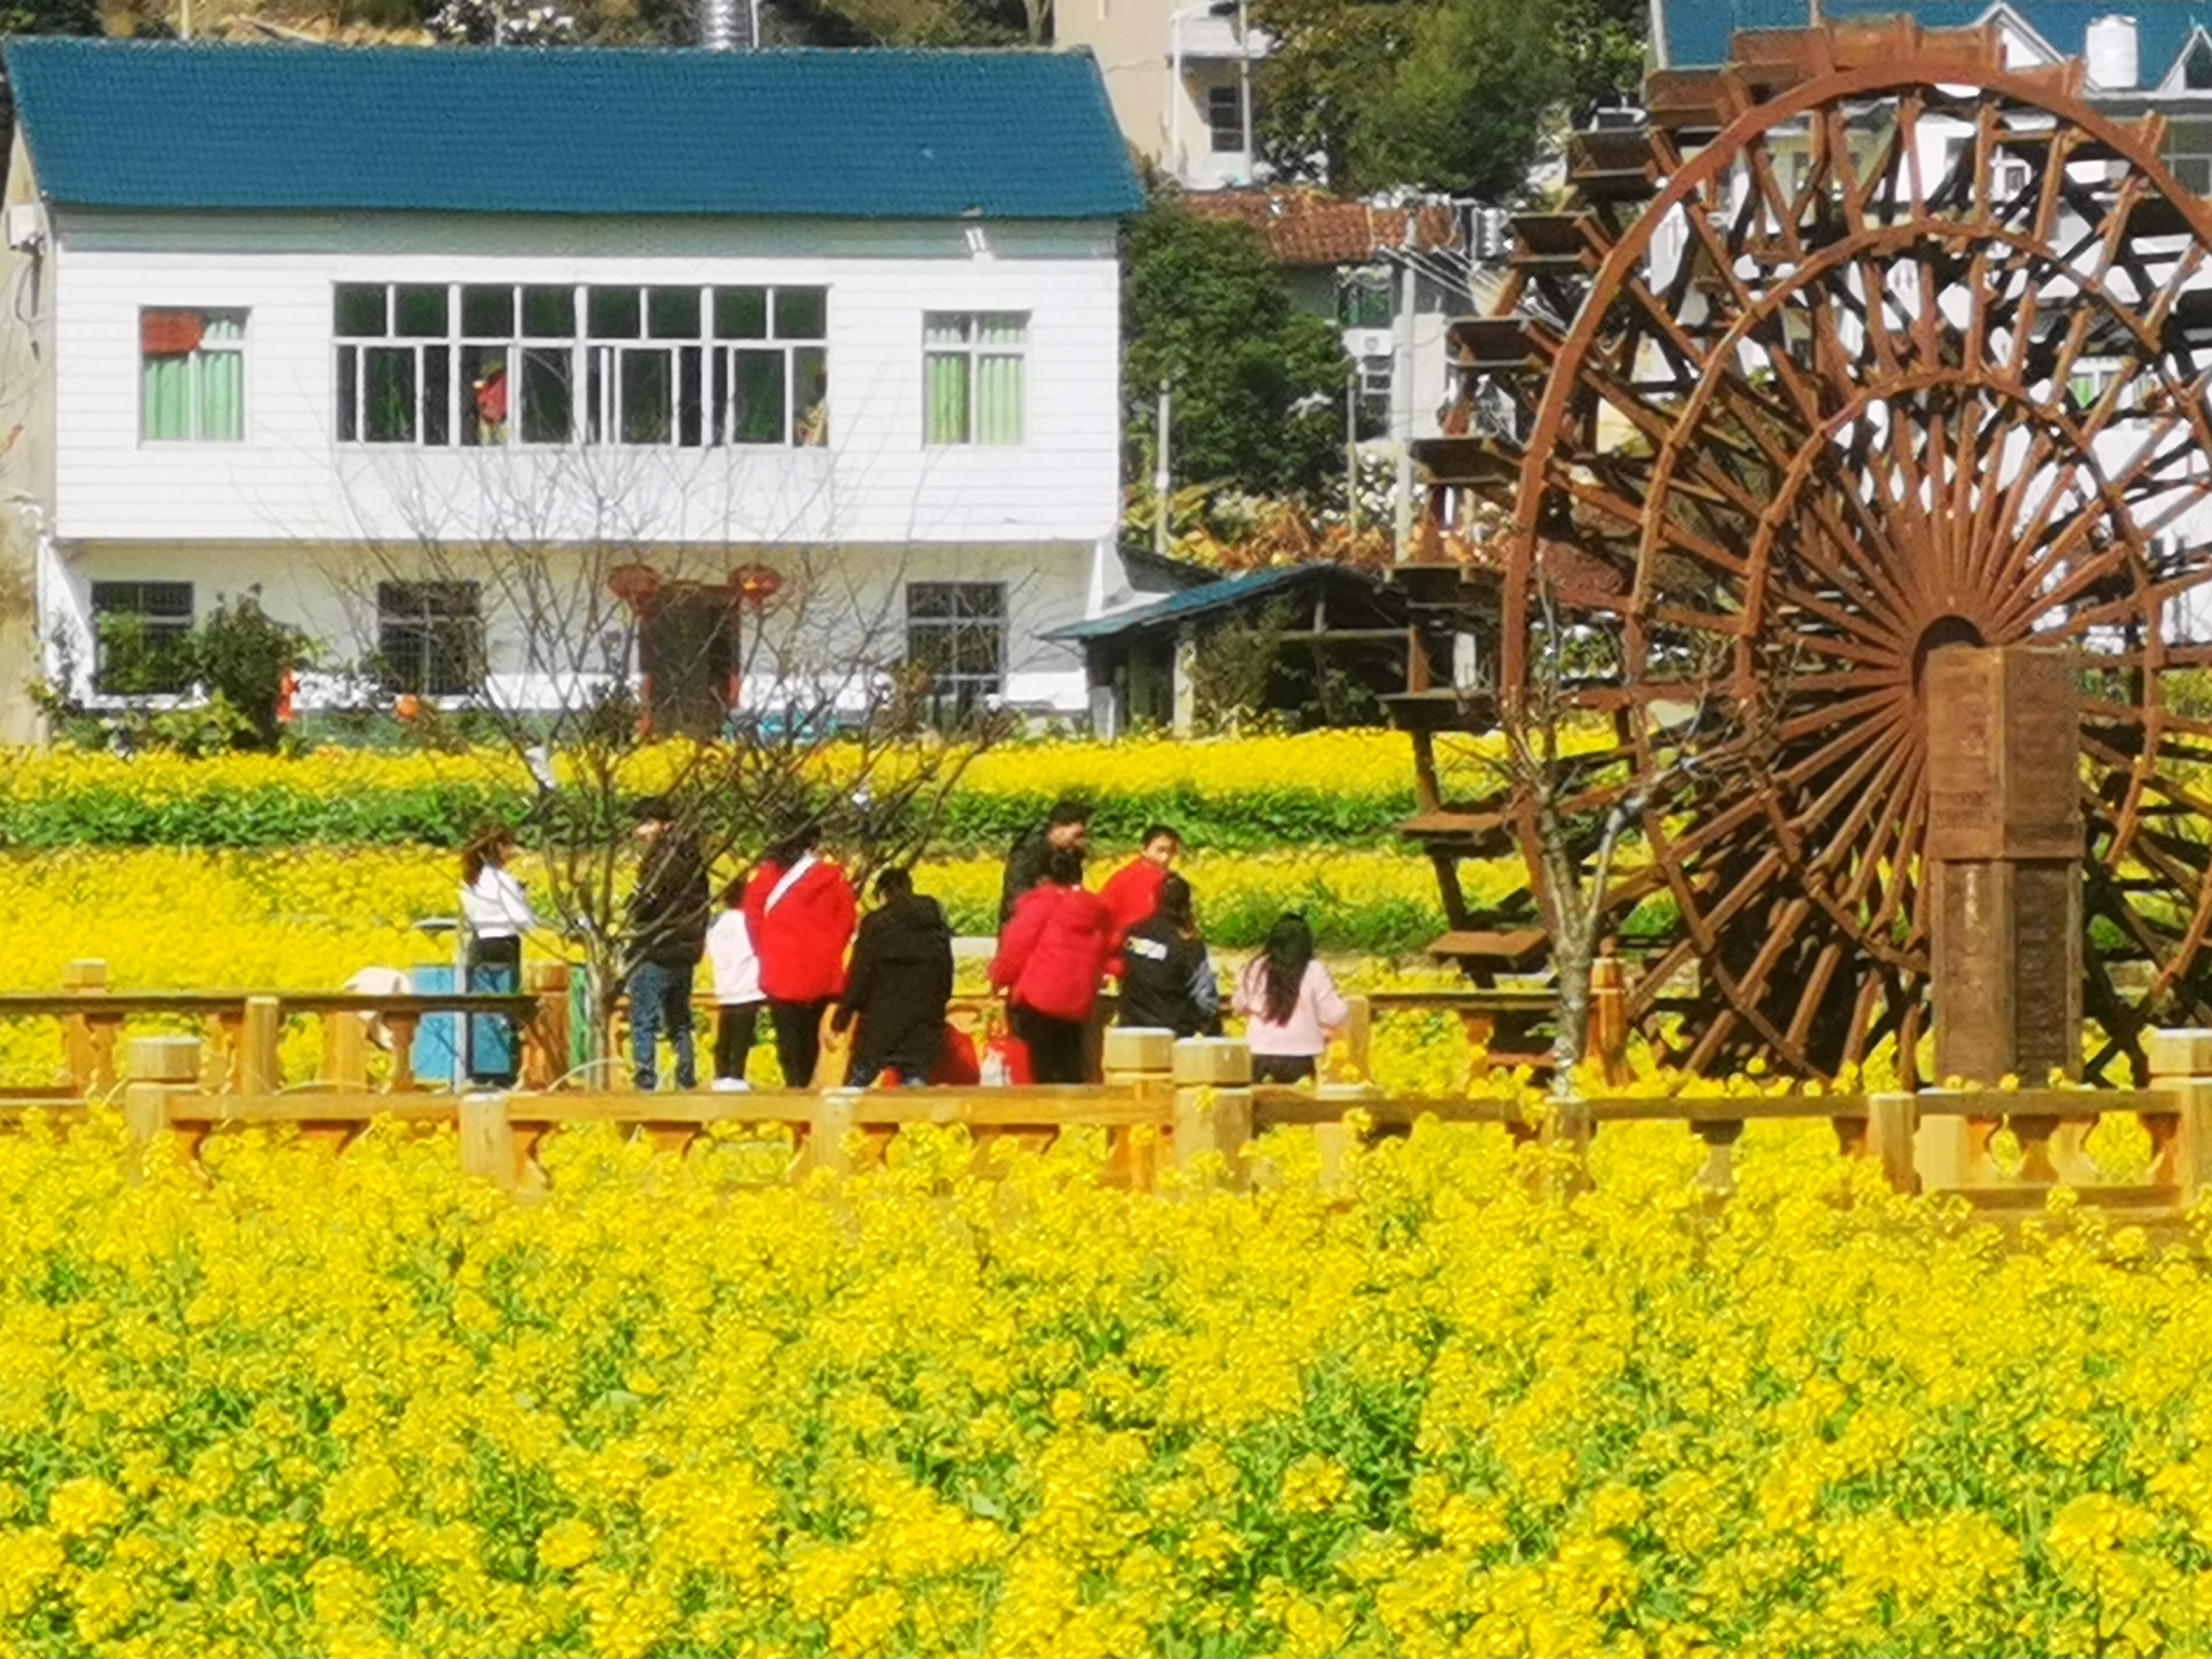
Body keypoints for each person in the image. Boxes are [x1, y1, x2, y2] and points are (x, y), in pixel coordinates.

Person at [743, 822, 857, 1089]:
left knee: (788, 1041)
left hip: (780, 971)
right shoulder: (832, 877)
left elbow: (753, 919)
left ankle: (796, 1090)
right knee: (811, 1038)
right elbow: (847, 920)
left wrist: (769, 951)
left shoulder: (767, 877)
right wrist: (829, 950)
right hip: (820, 972)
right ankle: (807, 1088)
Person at [990, 847, 1113, 1084]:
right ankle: (1074, 1117)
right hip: (1077, 1000)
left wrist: (999, 979)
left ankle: (1040, 1118)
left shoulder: (1040, 903)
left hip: (1038, 998)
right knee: (1070, 1064)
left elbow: (1016, 947)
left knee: (1037, 1070)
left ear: (1043, 879)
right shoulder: (1093, 910)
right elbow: (1108, 948)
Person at [833, 868, 954, 1088]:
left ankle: (843, 1123)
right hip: (923, 1022)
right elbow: (945, 976)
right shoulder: (933, 924)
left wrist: (844, 1013)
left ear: (883, 894)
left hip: (880, 1023)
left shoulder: (875, 925)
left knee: (853, 1089)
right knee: (915, 1088)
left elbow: (861, 973)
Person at [625, 796, 710, 1092]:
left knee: (644, 1020)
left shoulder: (663, 861)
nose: (641, 832)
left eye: (647, 824)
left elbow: (649, 904)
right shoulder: (692, 857)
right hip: (685, 951)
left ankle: (645, 1079)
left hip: (657, 948)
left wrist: (633, 909)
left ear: (666, 825)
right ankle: (686, 1078)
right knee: (680, 1020)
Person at [458, 823, 538, 1088]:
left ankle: (481, 1068)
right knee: (506, 1006)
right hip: (504, 943)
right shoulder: (503, 881)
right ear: (500, 848)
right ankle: (504, 1071)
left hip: (479, 945)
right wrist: (526, 902)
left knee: (482, 1008)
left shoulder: (470, 879)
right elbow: (522, 919)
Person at [1234, 913, 1349, 1085]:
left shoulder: (1255, 968)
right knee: (1297, 1110)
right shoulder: (1314, 971)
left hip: (1259, 1053)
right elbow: (1333, 1015)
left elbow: (1239, 1005)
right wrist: (1345, 1002)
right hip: (1299, 1058)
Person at [1117, 874, 1220, 1039]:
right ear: (1187, 904)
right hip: (1172, 1032)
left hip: (1131, 1028)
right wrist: (1214, 1032)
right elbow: (1204, 998)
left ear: (1154, 899)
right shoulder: (1188, 945)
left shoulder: (1133, 934)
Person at [704, 875, 765, 1093]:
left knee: (725, 1035)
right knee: (742, 1038)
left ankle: (721, 1076)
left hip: (725, 985)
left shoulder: (716, 922)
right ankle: (736, 1078)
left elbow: (710, 951)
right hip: (749, 987)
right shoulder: (751, 921)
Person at [1000, 798, 1090, 925]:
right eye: (1077, 835)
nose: (1081, 842)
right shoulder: (1029, 853)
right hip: (1024, 927)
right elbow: (1016, 896)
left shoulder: (1071, 855)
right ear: (1057, 828)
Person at [1099, 824, 1181, 961]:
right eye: (1160, 850)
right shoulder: (1125, 880)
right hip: (1128, 949)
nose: (1166, 857)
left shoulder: (1171, 881)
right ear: (1144, 849)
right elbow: (1103, 925)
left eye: (1171, 851)